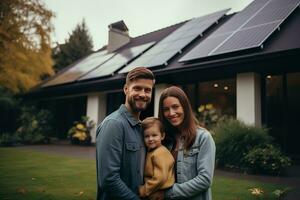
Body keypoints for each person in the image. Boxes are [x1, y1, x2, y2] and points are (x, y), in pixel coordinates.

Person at [96, 67, 155, 200]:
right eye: (137, 88)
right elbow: (109, 180)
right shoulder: (114, 124)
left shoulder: (141, 127)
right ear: (126, 89)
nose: (143, 94)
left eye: (147, 90)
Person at [155, 86, 216, 200]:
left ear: (184, 107)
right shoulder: (163, 140)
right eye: (166, 109)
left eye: (175, 107)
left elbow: (205, 180)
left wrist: (167, 193)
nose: (171, 113)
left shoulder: (203, 138)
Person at [139, 117, 175, 199]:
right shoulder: (152, 151)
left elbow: (160, 177)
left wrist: (144, 190)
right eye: (146, 136)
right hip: (154, 190)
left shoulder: (160, 152)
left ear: (162, 136)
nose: (150, 139)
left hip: (159, 192)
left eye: (154, 135)